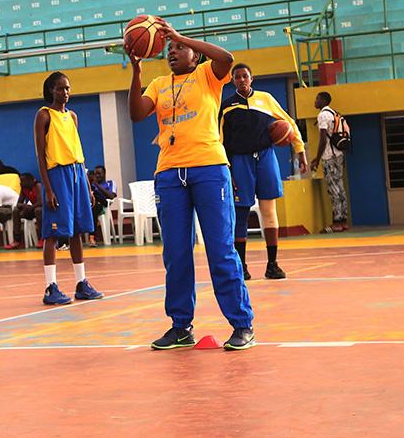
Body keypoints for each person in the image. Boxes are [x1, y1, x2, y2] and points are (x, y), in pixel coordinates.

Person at [126, 20, 255, 350]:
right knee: (176, 253)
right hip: (169, 173)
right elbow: (136, 113)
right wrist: (136, 71)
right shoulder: (158, 83)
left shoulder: (208, 76)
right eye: (169, 49)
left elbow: (226, 57)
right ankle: (181, 326)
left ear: (195, 55)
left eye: (178, 48)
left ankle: (242, 324)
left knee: (220, 248)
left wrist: (182, 37)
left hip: (209, 168)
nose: (172, 51)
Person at [219, 62, 307, 280]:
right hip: (239, 161)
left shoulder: (266, 99)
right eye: (237, 77)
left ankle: (272, 264)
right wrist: (225, 167)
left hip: (266, 157)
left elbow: (289, 123)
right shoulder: (227, 106)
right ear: (232, 80)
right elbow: (218, 140)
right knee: (241, 213)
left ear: (252, 78)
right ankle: (242, 266)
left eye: (245, 76)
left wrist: (300, 149)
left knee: (269, 210)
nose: (241, 80)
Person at [34, 72, 104, 305]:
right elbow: (40, 156)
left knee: (77, 230)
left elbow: (78, 152)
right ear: (51, 90)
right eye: (60, 88)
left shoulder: (73, 116)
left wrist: (88, 186)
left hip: (76, 174)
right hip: (57, 174)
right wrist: (49, 189)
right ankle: (50, 287)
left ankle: (81, 283)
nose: (65, 92)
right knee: (53, 233)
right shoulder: (44, 115)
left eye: (67, 88)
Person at [310, 91, 349, 232]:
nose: (315, 101)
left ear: (322, 100)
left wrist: (317, 159)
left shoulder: (323, 115)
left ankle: (337, 223)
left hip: (329, 156)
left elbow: (323, 140)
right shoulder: (335, 113)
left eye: (317, 99)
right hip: (339, 155)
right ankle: (344, 221)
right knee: (340, 187)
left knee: (333, 189)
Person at [5, 172, 44, 249]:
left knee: (38, 210)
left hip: (44, 210)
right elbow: (19, 204)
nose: (20, 183)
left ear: (30, 181)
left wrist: (29, 207)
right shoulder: (24, 189)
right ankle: (17, 240)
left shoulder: (37, 186)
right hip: (33, 209)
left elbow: (41, 202)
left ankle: (42, 238)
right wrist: (25, 207)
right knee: (16, 211)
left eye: (22, 181)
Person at [90, 165, 117, 246]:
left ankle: (92, 237)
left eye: (99, 173)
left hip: (103, 206)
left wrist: (97, 185)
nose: (97, 175)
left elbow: (111, 196)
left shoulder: (110, 183)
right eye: (95, 174)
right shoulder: (91, 186)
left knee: (95, 206)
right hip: (91, 205)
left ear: (104, 173)